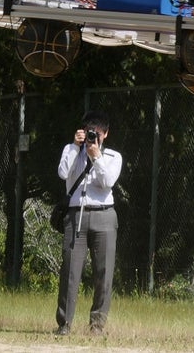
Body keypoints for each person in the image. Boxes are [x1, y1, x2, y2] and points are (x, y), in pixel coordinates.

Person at [54, 111, 122, 337]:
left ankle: (97, 326)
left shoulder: (113, 156)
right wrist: (75, 147)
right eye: (89, 133)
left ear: (106, 134)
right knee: (70, 271)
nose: (93, 138)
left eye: (98, 134)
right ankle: (64, 324)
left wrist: (97, 157)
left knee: (104, 272)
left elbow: (107, 181)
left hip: (104, 215)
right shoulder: (71, 150)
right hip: (76, 215)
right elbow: (63, 173)